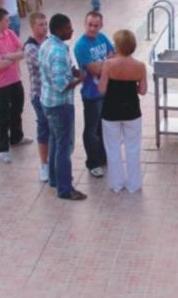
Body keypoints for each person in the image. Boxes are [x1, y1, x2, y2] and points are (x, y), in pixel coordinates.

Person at [39, 13, 87, 201]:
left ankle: (53, 179)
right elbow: (60, 84)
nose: (72, 30)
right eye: (68, 28)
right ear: (59, 30)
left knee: (54, 140)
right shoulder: (58, 52)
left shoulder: (48, 44)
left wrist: (72, 71)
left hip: (47, 102)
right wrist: (79, 80)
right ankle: (65, 188)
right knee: (64, 147)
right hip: (59, 105)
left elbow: (54, 71)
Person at [98, 29, 146, 194]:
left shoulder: (108, 64)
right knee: (133, 148)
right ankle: (134, 184)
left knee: (113, 149)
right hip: (132, 111)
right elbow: (143, 91)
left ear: (118, 46)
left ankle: (116, 184)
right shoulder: (140, 66)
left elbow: (102, 89)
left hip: (111, 111)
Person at [0, 8, 29, 163]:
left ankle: (17, 136)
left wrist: (9, 56)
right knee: (3, 115)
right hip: (1, 83)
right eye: (5, 20)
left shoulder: (9, 32)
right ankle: (3, 147)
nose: (8, 23)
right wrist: (16, 57)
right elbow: (0, 64)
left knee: (18, 108)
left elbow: (23, 50)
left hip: (15, 78)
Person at [74, 11, 114, 177]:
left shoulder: (102, 38)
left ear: (101, 26)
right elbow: (95, 70)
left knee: (102, 127)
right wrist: (107, 63)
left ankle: (103, 157)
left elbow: (114, 57)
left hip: (105, 92)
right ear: (85, 24)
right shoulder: (81, 46)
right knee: (91, 129)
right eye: (89, 25)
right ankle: (93, 163)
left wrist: (103, 63)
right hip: (91, 94)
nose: (92, 28)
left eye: (96, 25)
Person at [24, 12, 51, 183]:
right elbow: (47, 66)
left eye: (46, 24)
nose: (44, 27)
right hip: (39, 95)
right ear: (32, 26)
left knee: (54, 129)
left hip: (52, 95)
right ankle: (44, 164)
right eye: (41, 24)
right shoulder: (30, 48)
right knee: (44, 128)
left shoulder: (48, 42)